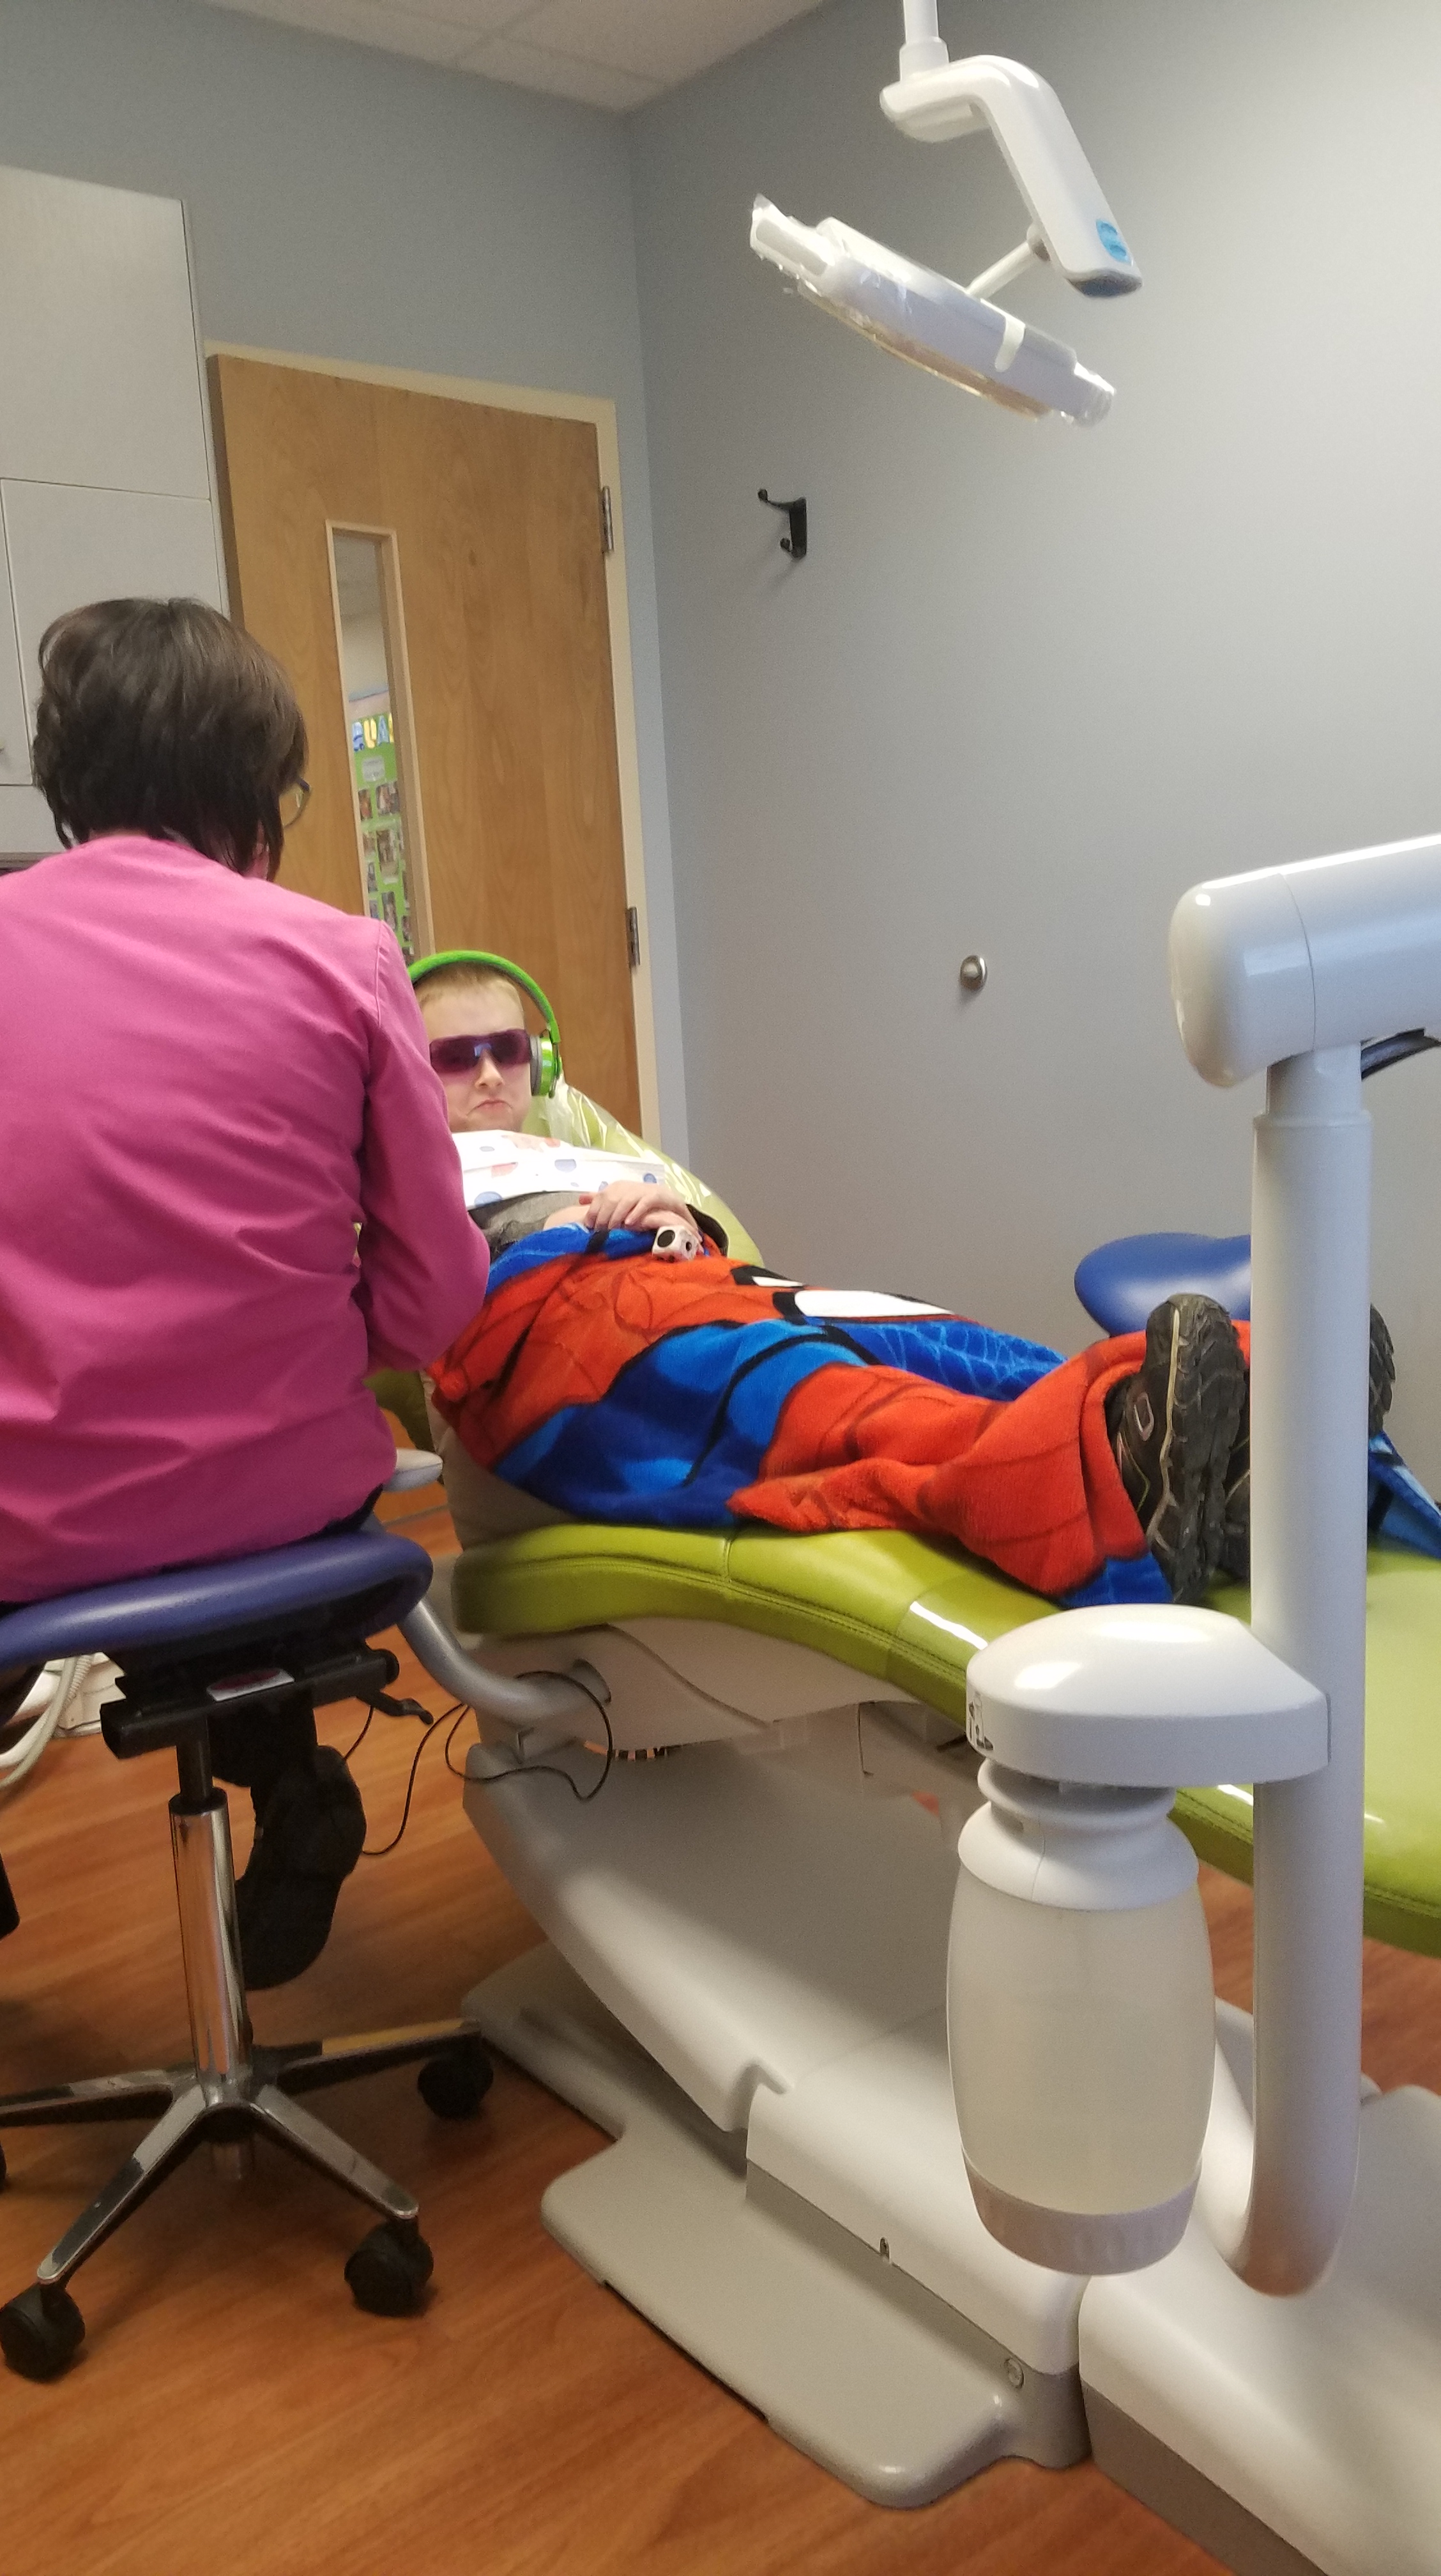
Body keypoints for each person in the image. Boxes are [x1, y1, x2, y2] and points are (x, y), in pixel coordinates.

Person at [0, 598, 489, 1985]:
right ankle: (288, 1775)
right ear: (259, 789)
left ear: (67, 779)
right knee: (224, 1541)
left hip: (35, 1532)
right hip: (294, 1515)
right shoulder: (344, 956)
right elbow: (436, 1303)